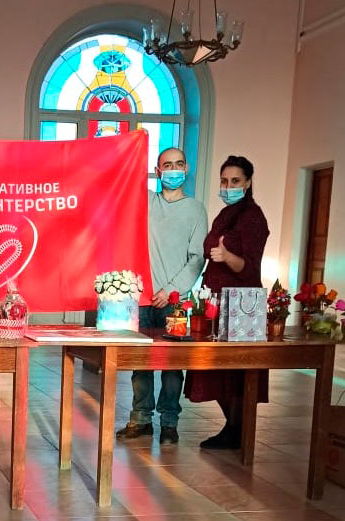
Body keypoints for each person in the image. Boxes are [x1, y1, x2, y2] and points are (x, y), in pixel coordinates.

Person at [116, 147, 207, 445]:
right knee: (141, 361)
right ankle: (141, 419)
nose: (173, 170)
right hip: (142, 297)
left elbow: (196, 258)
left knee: (172, 364)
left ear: (187, 168)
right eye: (167, 165)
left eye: (179, 164)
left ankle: (169, 422)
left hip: (175, 301)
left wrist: (170, 290)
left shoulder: (196, 210)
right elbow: (118, 179)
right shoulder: (144, 202)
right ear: (157, 170)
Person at [184, 155, 270, 449]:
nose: (228, 186)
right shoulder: (225, 213)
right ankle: (233, 428)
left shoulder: (253, 217)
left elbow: (249, 268)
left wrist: (226, 256)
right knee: (214, 369)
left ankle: (238, 430)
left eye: (235, 181)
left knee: (234, 371)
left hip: (241, 304)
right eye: (224, 181)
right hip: (217, 300)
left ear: (247, 182)